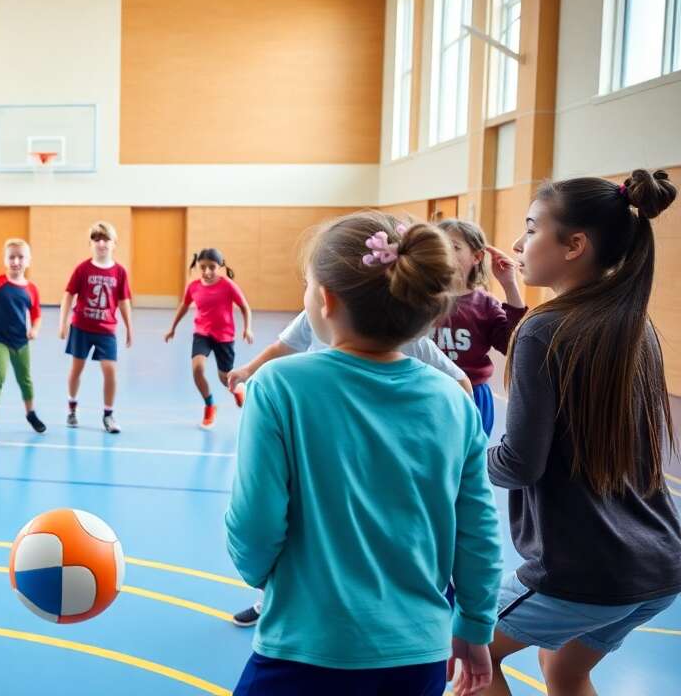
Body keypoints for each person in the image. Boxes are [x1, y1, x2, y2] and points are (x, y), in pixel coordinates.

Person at [226, 212, 501, 696]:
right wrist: (476, 625)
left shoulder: (279, 387)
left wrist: (258, 572)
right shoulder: (453, 402)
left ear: (325, 300)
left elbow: (256, 522)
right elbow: (479, 530)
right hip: (418, 657)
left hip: (307, 647)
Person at [485, 170, 681, 695]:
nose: (517, 243)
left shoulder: (543, 330)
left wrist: (466, 455)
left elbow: (519, 462)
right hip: (662, 562)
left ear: (575, 244)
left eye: (530, 228)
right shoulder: (639, 327)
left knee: (465, 656)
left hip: (586, 572)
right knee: (565, 670)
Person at [431, 219, 526, 435]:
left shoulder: (484, 304)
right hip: (428, 392)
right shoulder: (420, 299)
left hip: (472, 393)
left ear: (477, 256)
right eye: (438, 244)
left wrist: (509, 285)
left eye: (454, 246)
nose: (444, 252)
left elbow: (511, 344)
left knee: (470, 461)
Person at [163, 247, 253, 429]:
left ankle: (237, 390)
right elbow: (184, 305)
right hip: (202, 334)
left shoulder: (228, 285)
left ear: (220, 266)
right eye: (202, 267)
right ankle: (210, 404)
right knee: (197, 369)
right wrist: (172, 328)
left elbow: (244, 307)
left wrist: (247, 328)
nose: (207, 272)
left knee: (225, 378)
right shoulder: (194, 286)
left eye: (212, 267)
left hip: (224, 336)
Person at [58, 221, 133, 433]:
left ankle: (108, 414)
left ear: (114, 243)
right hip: (81, 327)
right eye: (96, 239)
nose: (101, 243)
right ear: (90, 244)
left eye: (106, 239)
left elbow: (123, 301)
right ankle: (72, 407)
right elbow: (68, 295)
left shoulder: (119, 272)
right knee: (77, 368)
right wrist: (62, 323)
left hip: (106, 330)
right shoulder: (82, 269)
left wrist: (129, 327)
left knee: (110, 371)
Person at [0, 238, 46, 446]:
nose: (16, 261)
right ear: (5, 260)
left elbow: (37, 314)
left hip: (20, 341)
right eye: (11, 257)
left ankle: (30, 413)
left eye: (20, 257)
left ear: (28, 261)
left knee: (25, 379)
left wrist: (34, 329)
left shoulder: (31, 289)